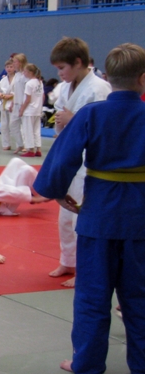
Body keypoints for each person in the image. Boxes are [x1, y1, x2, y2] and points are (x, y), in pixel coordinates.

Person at [33, 43, 145, 374]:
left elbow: (63, 159)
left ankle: (87, 363)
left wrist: (56, 190)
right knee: (140, 295)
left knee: (92, 294)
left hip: (99, 215)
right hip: (140, 216)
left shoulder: (92, 114)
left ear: (107, 76)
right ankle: (142, 363)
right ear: (143, 79)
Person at [48, 37, 112, 287]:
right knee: (65, 217)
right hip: (70, 158)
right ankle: (67, 261)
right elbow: (61, 118)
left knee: (80, 219)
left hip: (89, 162)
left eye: (62, 68)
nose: (60, 73)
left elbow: (103, 127)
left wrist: (71, 119)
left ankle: (83, 270)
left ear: (78, 62)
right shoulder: (65, 88)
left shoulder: (99, 88)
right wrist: (62, 121)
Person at [18, 64, 43, 157]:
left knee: (28, 130)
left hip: (29, 110)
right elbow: (42, 97)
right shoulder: (40, 82)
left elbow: (28, 99)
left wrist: (22, 109)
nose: (24, 73)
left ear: (30, 72)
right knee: (36, 130)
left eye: (25, 71)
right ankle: (38, 149)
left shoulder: (29, 83)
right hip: (37, 110)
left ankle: (31, 149)